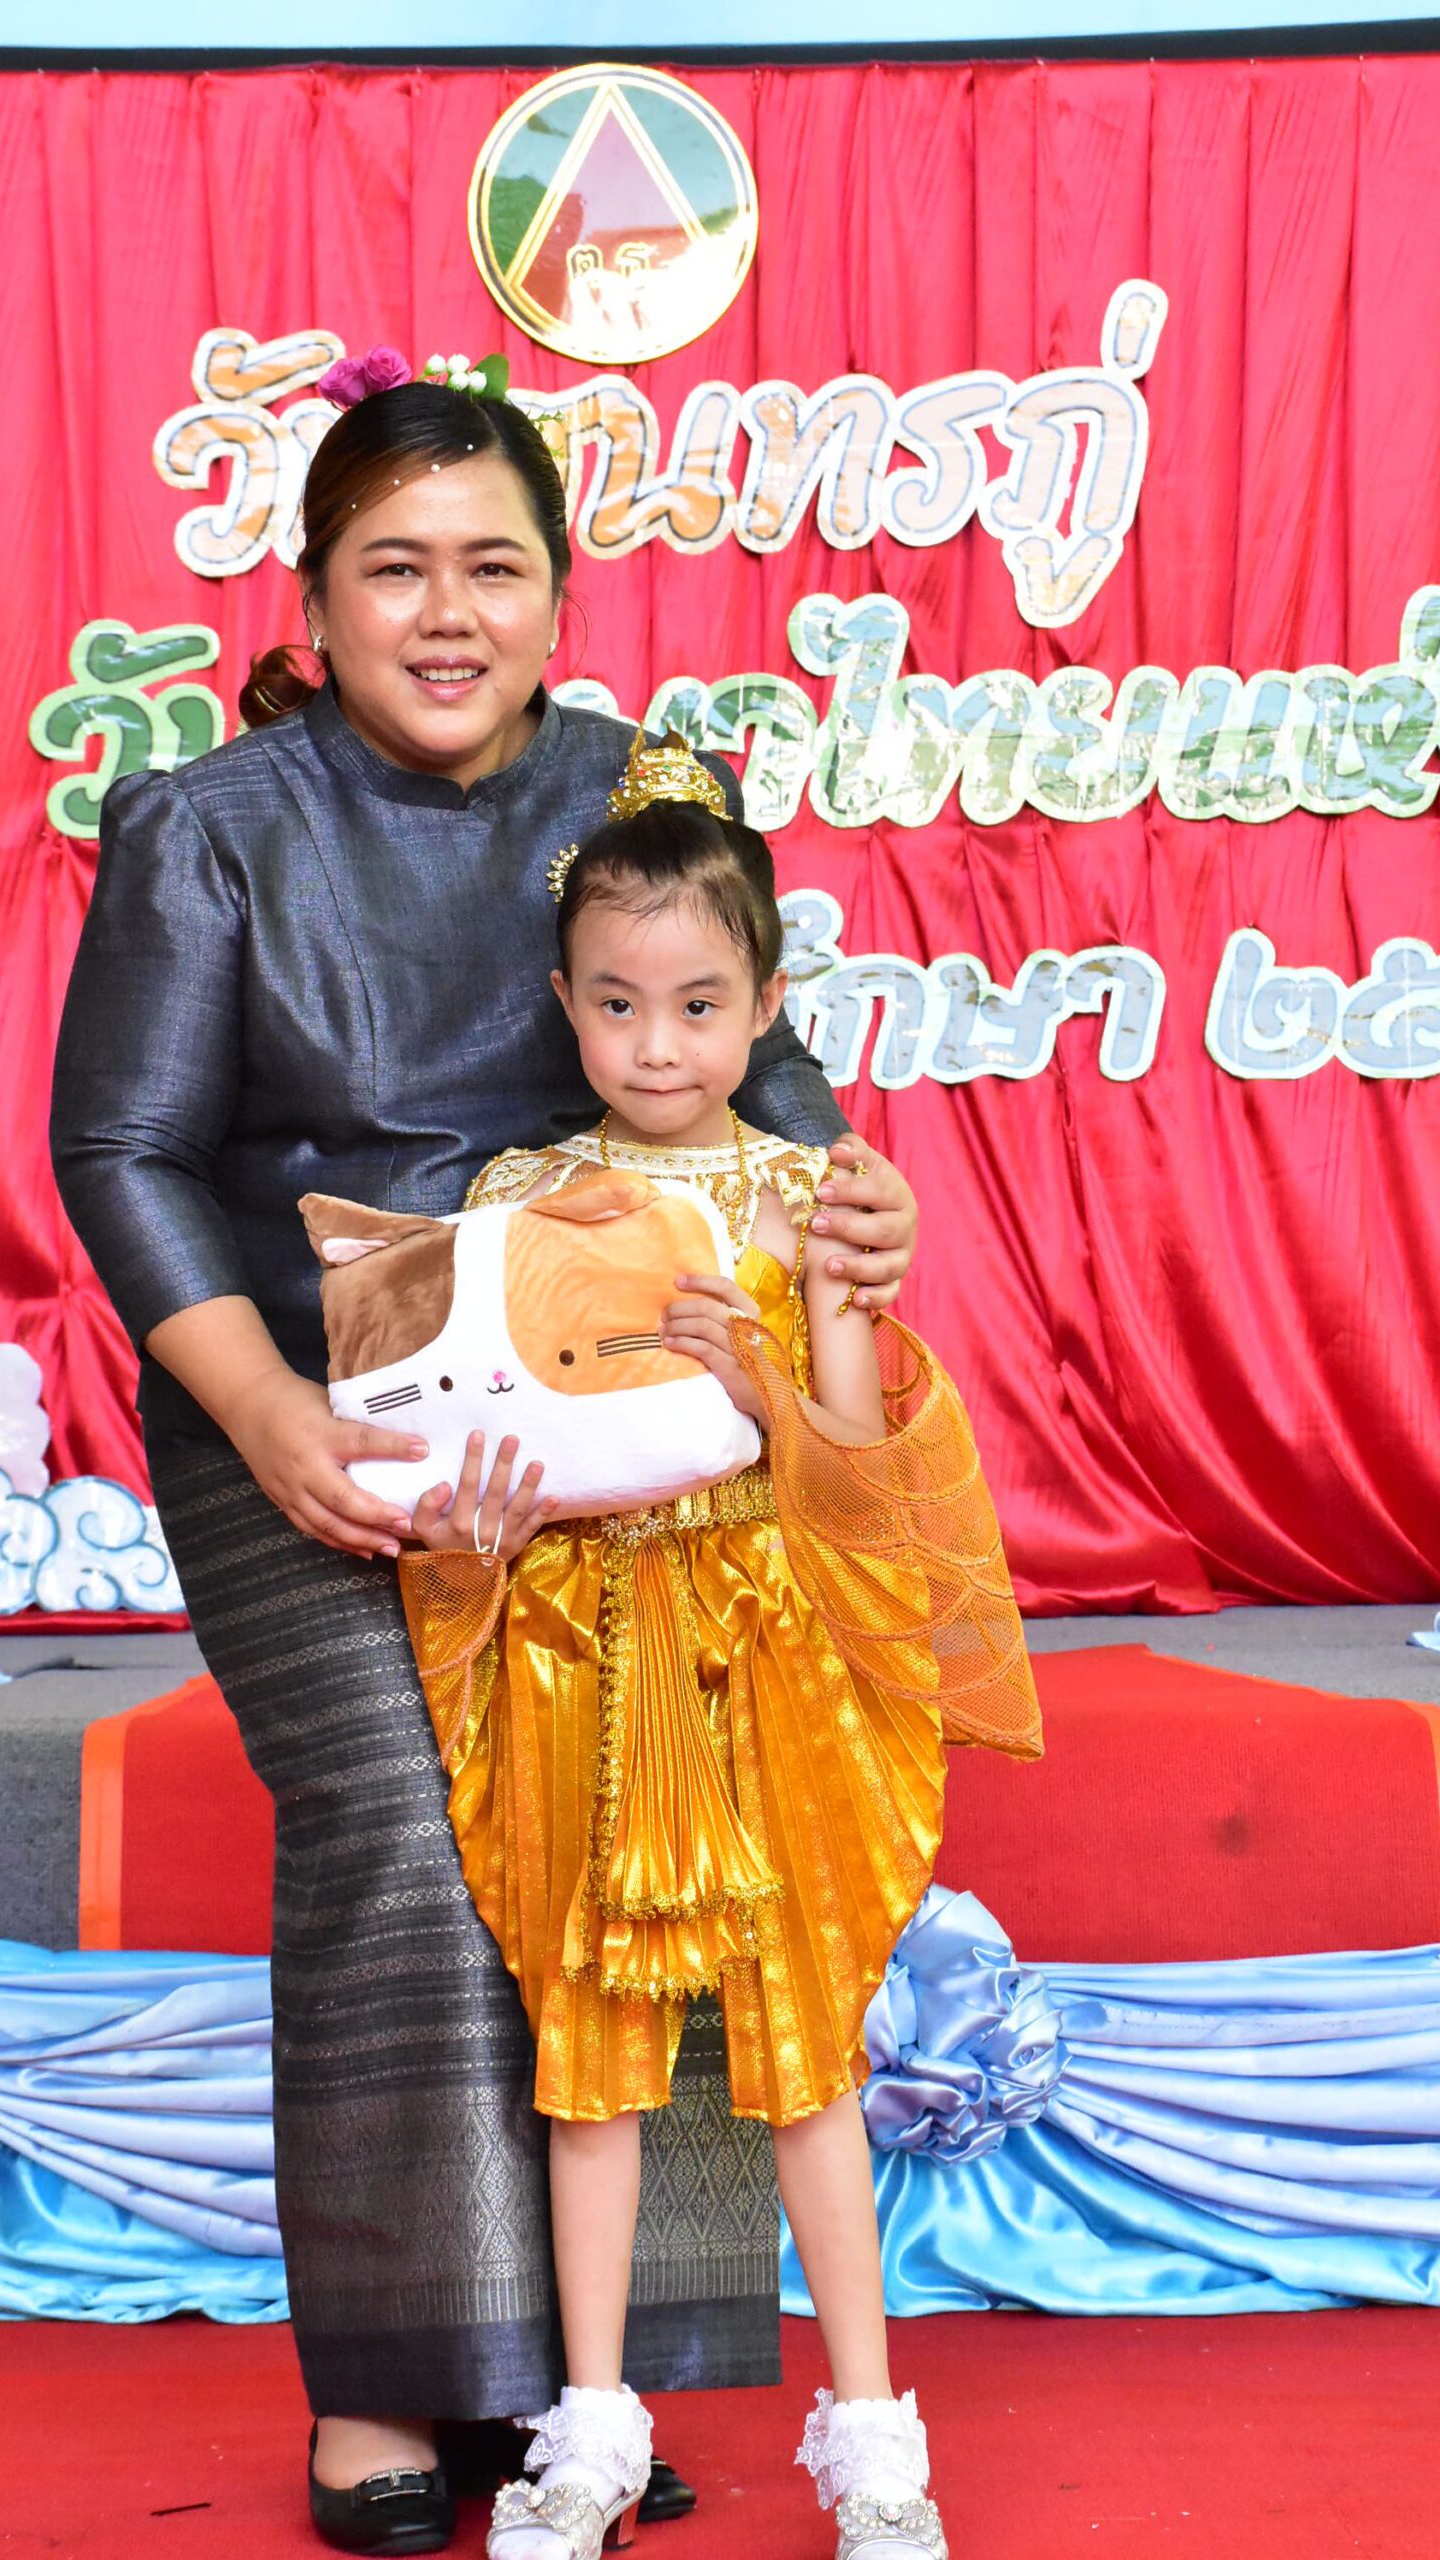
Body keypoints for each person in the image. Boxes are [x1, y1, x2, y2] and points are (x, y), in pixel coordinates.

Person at [49, 350, 922, 2556]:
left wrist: (848, 1204)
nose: (448, 613)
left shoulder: (639, 785)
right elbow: (124, 1147)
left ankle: (589, 2389)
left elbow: (766, 1074)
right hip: (318, 1415)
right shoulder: (204, 824)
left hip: (628, 1417)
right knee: (414, 1830)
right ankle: (392, 2378)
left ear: (557, 594)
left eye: (493, 566)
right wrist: (268, 1415)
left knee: (656, 1838)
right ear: (314, 600)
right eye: (396, 568)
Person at [394, 747, 1043, 2560]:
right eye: (616, 1004)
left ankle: (872, 2437)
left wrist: (754, 1371)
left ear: (767, 1004)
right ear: (564, 1004)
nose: (657, 1045)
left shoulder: (810, 1198)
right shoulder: (523, 1192)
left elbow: (851, 1459)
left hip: (766, 1666)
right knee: (588, 2057)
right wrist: (472, 1517)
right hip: (581, 1660)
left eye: (697, 1005)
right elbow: (485, 1416)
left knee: (806, 2053)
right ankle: (590, 2429)